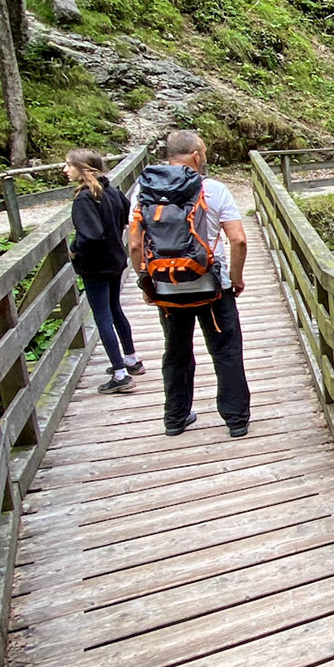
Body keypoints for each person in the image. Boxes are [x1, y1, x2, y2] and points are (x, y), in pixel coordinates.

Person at [128, 129, 252, 437]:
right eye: (205, 153)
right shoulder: (214, 189)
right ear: (196, 155)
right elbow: (237, 239)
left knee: (176, 352)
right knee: (225, 350)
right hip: (212, 288)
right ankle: (236, 421)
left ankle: (175, 419)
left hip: (167, 288)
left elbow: (133, 245)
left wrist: (146, 283)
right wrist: (234, 279)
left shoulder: (143, 189)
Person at [64, 148, 143, 395]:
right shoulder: (112, 191)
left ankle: (120, 374)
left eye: (69, 165)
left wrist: (74, 249)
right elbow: (128, 216)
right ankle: (131, 359)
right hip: (116, 260)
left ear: (83, 169)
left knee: (102, 316)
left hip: (96, 266)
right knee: (115, 309)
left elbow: (90, 235)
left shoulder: (84, 199)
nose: (65, 170)